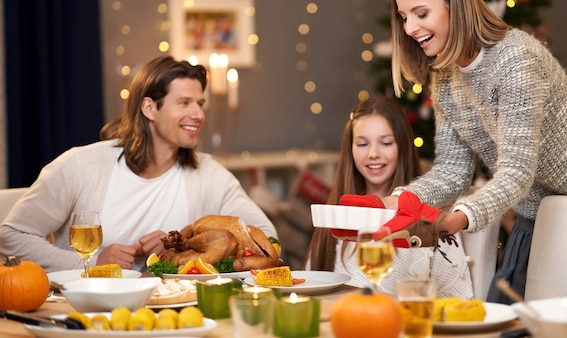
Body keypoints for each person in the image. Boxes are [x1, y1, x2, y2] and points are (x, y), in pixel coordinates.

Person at [382, 0, 567, 303]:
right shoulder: (447, 77)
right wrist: (401, 200)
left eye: (421, 14)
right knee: (510, 321)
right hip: (538, 213)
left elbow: (516, 170)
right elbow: (453, 170)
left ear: (457, 6)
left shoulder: (515, 59)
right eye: (404, 17)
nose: (409, 28)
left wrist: (461, 217)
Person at [0, 55, 276, 272]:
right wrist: (92, 263)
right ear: (149, 108)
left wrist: (180, 245)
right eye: (184, 103)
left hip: (178, 313)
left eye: (200, 103)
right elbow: (11, 235)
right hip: (90, 312)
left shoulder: (210, 175)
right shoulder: (82, 166)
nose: (198, 114)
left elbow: (266, 239)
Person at [305, 96, 474, 298]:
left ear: (402, 147)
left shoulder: (432, 217)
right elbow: (312, 289)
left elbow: (457, 299)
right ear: (350, 150)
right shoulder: (337, 218)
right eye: (362, 144)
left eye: (386, 143)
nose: (373, 153)